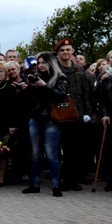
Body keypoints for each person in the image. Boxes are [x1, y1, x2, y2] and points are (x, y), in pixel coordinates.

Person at [21, 53, 69, 197]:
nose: (41, 65)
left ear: (51, 63)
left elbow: (60, 95)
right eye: (39, 62)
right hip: (35, 118)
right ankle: (34, 184)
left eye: (44, 62)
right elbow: (30, 100)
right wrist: (28, 87)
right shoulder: (35, 77)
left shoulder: (60, 77)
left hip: (52, 119)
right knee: (35, 153)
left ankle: (56, 185)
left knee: (51, 153)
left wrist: (44, 86)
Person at [54, 39, 92, 191]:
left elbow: (85, 92)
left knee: (74, 148)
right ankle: (61, 179)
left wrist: (87, 112)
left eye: (68, 50)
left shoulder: (78, 69)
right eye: (62, 50)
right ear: (58, 53)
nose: (65, 52)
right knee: (61, 148)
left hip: (76, 112)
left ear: (72, 51)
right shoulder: (54, 68)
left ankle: (72, 180)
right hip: (59, 113)